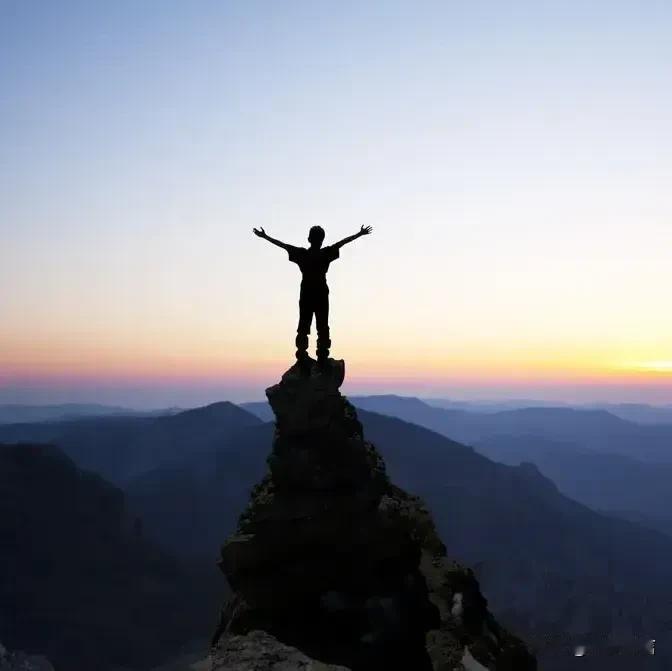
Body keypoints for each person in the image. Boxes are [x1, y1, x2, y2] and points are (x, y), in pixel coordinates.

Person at [253, 224, 372, 364]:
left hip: (308, 293)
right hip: (320, 293)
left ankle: (304, 356)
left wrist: (265, 236)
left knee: (305, 325)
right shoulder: (325, 253)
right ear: (322, 240)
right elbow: (342, 243)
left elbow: (283, 245)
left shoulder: (303, 254)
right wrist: (359, 234)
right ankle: (321, 357)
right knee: (321, 326)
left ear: (309, 238)